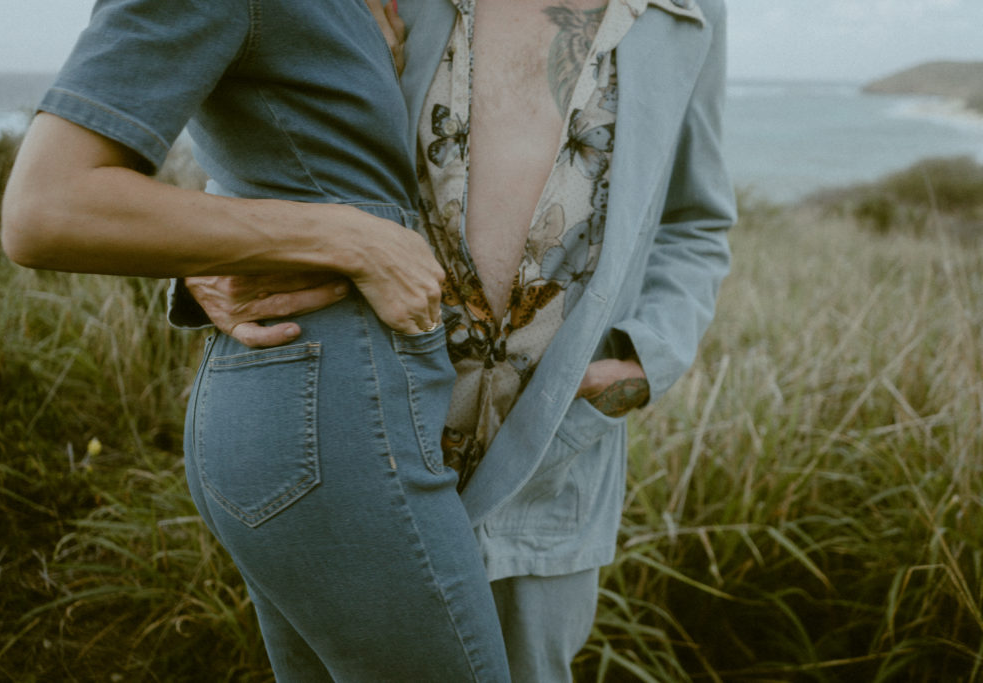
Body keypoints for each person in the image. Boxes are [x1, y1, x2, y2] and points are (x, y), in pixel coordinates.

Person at [181, 0, 735, 679]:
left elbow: (696, 220)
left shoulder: (692, 12)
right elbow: (278, 136)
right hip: (360, 446)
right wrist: (204, 262)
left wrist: (647, 360)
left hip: (549, 471)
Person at [0, 0, 515, 680]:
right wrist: (349, 236)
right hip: (332, 419)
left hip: (327, 407)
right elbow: (47, 206)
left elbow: (270, 151)